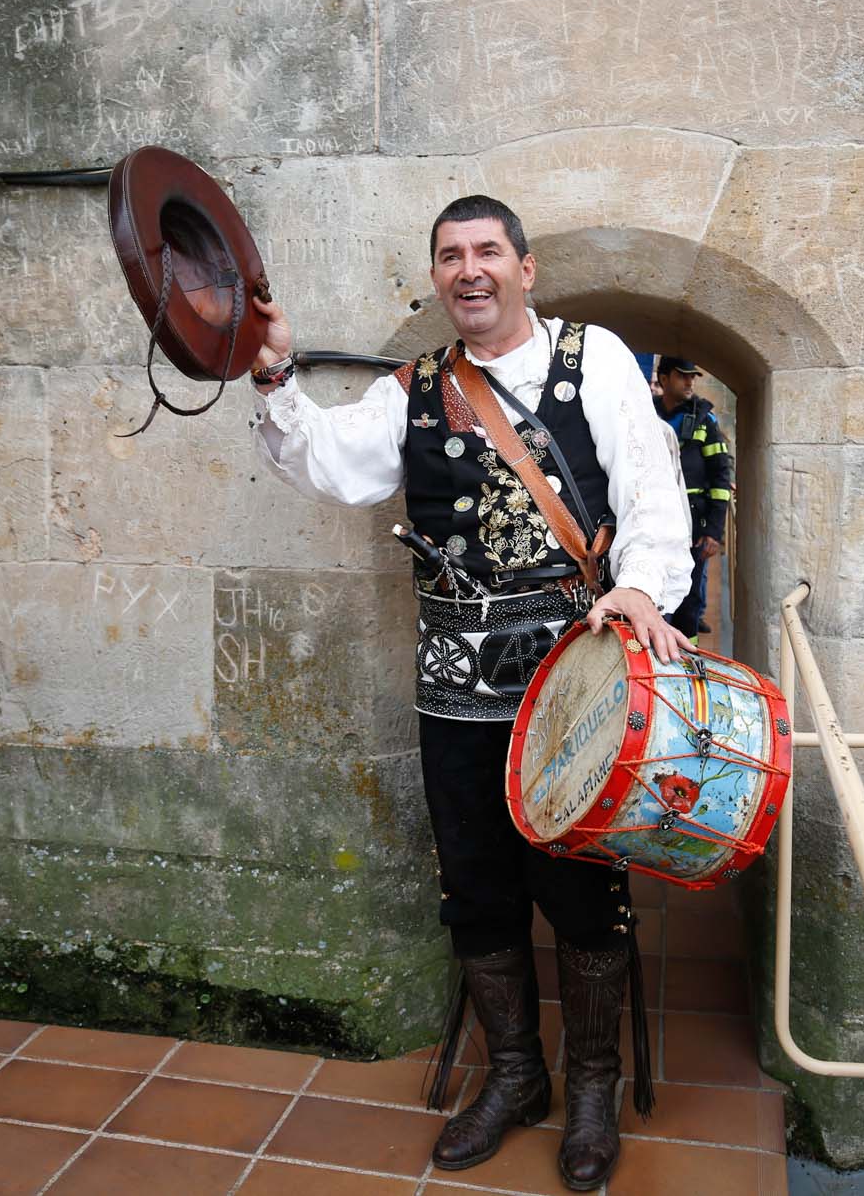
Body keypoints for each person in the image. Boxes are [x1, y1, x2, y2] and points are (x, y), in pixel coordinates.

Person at [247, 195, 693, 1191]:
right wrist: (275, 372)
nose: (469, 270)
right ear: (438, 276)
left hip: (572, 677)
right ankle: (516, 1077)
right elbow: (332, 464)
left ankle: (589, 1087)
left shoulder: (595, 359)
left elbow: (652, 490)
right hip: (453, 681)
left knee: (579, 886)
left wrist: (638, 584)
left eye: (487, 251)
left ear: (524, 268)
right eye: (450, 256)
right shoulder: (411, 388)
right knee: (475, 886)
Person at [655, 357, 734, 638]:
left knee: (689, 603)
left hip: (694, 526)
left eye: (693, 377)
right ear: (663, 379)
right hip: (654, 521)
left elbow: (720, 478)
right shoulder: (645, 414)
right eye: (682, 376)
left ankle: (688, 666)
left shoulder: (703, 420)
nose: (690, 382)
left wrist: (713, 531)